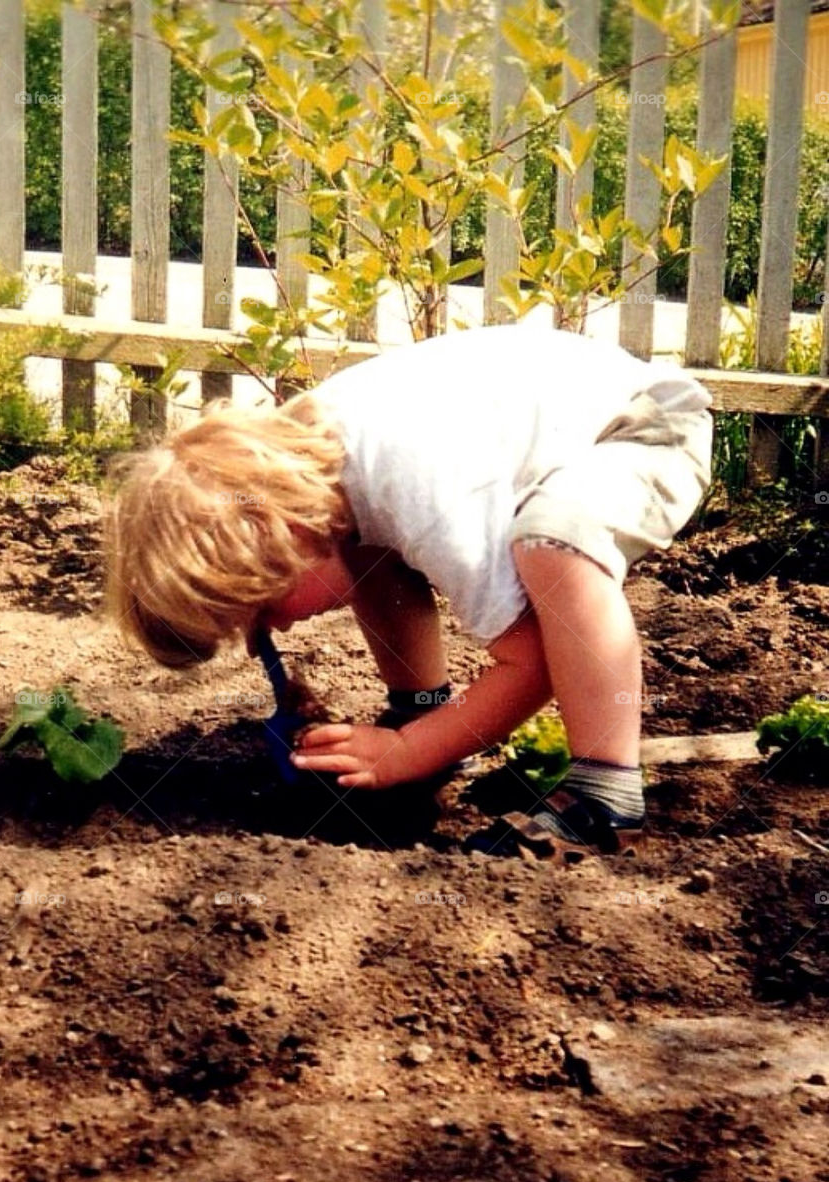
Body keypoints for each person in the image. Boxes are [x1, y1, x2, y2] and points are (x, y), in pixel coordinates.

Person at [106, 321, 712, 856]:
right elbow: (356, 547)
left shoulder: (423, 491)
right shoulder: (318, 473)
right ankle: (418, 705)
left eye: (264, 610)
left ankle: (605, 795)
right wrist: (421, 732)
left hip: (645, 427)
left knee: (551, 543)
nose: (273, 632)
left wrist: (407, 755)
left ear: (290, 534)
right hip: (569, 424)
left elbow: (530, 663)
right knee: (365, 543)